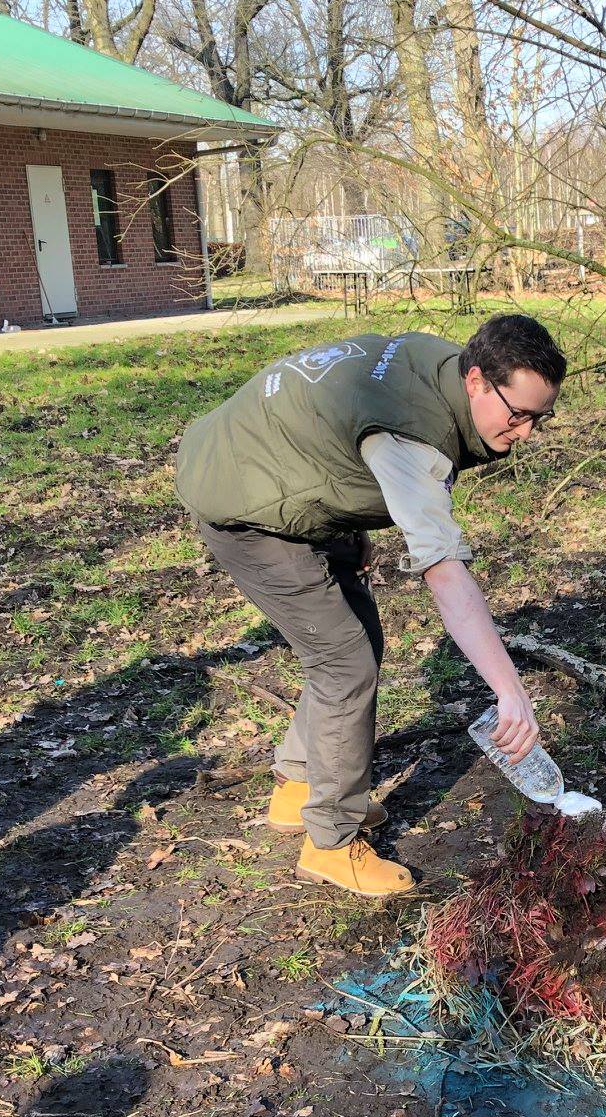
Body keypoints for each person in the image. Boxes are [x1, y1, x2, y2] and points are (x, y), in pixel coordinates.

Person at [174, 315, 564, 897]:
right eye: (520, 414)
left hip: (270, 463)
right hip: (240, 502)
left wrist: (345, 526)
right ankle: (330, 842)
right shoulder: (411, 434)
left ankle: (299, 787)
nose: (527, 432)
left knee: (357, 641)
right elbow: (444, 571)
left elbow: (341, 435)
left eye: (542, 417)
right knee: (344, 664)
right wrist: (510, 690)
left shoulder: (442, 365)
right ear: (478, 380)